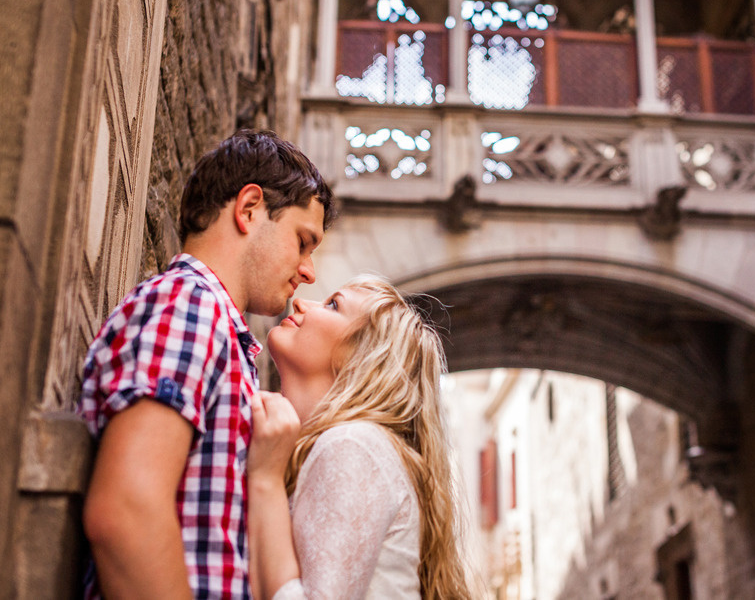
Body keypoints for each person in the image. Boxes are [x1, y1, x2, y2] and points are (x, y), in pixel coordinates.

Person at [78, 129, 336, 599]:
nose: (308, 271)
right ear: (250, 209)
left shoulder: (213, 325)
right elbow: (125, 511)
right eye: (303, 242)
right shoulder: (190, 306)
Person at [247, 276, 475, 599]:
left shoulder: (353, 446)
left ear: (361, 358)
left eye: (333, 305)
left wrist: (264, 481)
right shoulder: (350, 447)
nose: (300, 302)